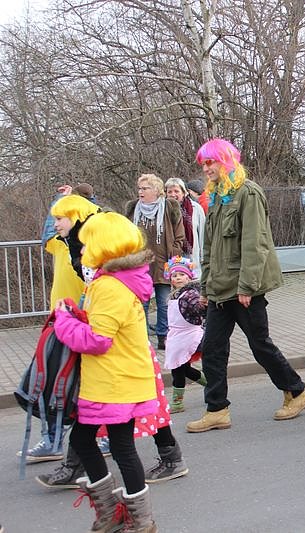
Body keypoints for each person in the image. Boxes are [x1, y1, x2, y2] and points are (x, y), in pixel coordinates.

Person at [186, 138, 305, 432]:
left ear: (226, 161)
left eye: (210, 162)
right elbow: (210, 248)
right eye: (203, 163)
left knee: (260, 346)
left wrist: (247, 287)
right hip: (219, 289)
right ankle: (216, 409)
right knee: (213, 349)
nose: (206, 168)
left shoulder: (248, 193)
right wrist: (205, 288)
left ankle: (296, 391)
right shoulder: (216, 197)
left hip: (244, 289)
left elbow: (256, 244)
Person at [53, 212, 158, 531]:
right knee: (105, 443)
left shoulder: (109, 285)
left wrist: (64, 322)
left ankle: (130, 518)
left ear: (103, 247)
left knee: (104, 444)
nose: (82, 251)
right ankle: (124, 516)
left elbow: (99, 340)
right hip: (121, 377)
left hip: (114, 380)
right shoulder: (123, 278)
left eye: (87, 245)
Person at [24, 193, 102, 464]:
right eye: (54, 218)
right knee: (59, 382)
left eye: (59, 218)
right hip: (66, 319)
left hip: (87, 322)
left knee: (80, 384)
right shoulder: (63, 243)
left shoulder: (96, 243)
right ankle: (55, 439)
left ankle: (100, 437)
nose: (55, 224)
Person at [126, 173, 186, 350]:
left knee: (163, 303)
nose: (141, 192)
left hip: (163, 263)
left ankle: (163, 337)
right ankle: (141, 338)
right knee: (141, 304)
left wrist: (173, 252)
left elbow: (179, 235)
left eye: (145, 188)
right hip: (140, 265)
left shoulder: (169, 207)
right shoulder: (133, 209)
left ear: (156, 190)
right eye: (139, 188)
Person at [163, 256, 206, 413]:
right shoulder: (175, 295)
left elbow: (198, 307)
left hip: (188, 336)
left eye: (181, 275)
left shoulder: (189, 294)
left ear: (189, 276)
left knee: (178, 369)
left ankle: (177, 403)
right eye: (174, 275)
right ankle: (211, 385)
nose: (178, 278)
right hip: (176, 336)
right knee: (184, 369)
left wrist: (201, 307)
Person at [164, 177, 206, 275]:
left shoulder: (196, 209)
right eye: (169, 192)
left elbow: (203, 234)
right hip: (171, 259)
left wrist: (203, 258)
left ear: (184, 193)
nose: (173, 194)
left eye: (176, 191)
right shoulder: (163, 210)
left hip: (192, 257)